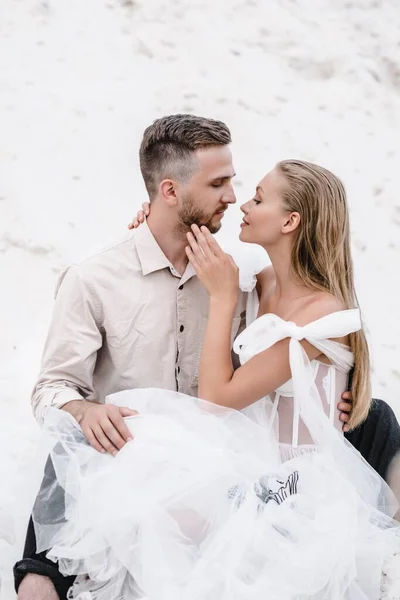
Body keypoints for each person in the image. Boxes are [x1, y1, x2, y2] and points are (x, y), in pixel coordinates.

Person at [12, 113, 398, 600]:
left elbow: (312, 330)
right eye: (219, 183)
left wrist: (343, 397)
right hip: (134, 451)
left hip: (228, 455)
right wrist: (85, 409)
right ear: (169, 192)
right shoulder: (94, 280)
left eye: (239, 185)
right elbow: (51, 388)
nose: (234, 197)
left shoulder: (235, 276)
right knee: (69, 458)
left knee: (377, 418)